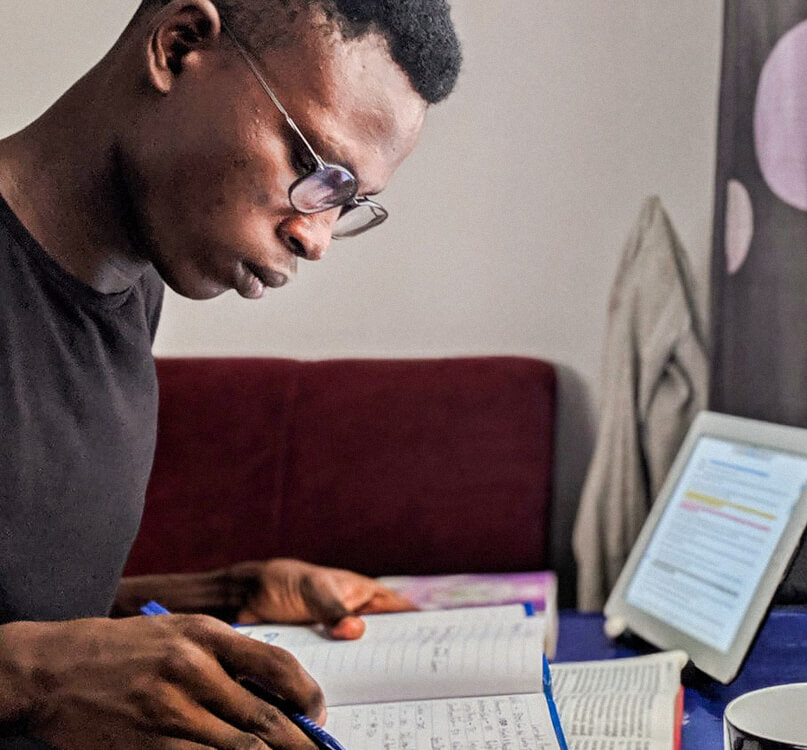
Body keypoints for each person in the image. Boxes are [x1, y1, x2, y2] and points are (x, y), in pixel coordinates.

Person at [0, 0, 461, 747]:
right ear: (180, 46)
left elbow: (34, 612)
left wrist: (229, 595)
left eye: (349, 205)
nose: (316, 240)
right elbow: (41, 662)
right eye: (315, 168)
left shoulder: (134, 287)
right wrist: (35, 678)